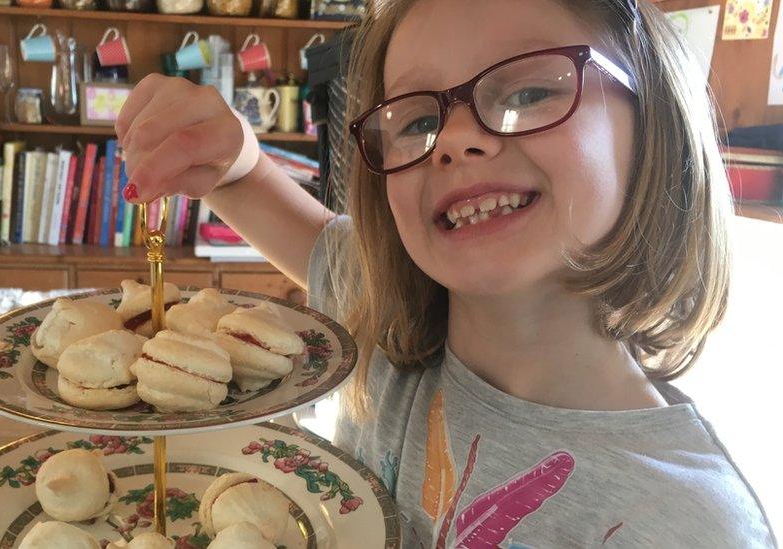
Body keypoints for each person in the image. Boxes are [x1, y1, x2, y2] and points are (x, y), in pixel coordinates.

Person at [115, 0, 777, 546]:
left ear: (653, 122)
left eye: (529, 90)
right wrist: (222, 152)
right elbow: (251, 182)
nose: (458, 138)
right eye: (420, 119)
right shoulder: (389, 326)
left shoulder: (692, 526)